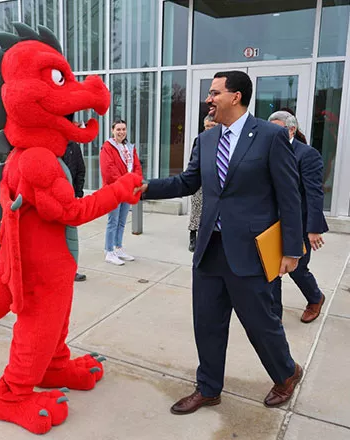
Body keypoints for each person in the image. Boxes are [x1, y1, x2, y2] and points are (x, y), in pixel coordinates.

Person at [137, 71, 304, 412]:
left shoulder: (270, 136)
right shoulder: (206, 140)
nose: (208, 99)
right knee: (208, 323)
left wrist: (291, 249)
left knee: (261, 323)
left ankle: (286, 372)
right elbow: (187, 182)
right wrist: (145, 187)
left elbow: (290, 197)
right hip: (210, 250)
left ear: (236, 97)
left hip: (250, 252)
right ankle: (209, 387)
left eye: (214, 93)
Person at [268, 111, 328, 322]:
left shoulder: (307, 154)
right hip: (271, 223)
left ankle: (315, 297)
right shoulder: (268, 152)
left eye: (277, 129)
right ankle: (274, 317)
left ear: (291, 129)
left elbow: (314, 193)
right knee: (271, 270)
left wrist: (314, 228)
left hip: (298, 224)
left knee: (297, 268)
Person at [100, 119, 143, 265]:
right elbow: (109, 169)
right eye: (118, 129)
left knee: (122, 221)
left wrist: (135, 182)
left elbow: (137, 166)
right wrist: (124, 183)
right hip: (115, 189)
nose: (121, 132)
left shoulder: (130, 148)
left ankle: (118, 247)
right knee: (113, 221)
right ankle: (109, 251)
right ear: (112, 130)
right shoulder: (107, 147)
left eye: (123, 129)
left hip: (128, 190)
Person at [62, 115, 87, 282]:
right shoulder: (48, 146)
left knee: (70, 237)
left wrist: (78, 193)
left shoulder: (73, 146)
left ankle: (71, 270)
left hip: (70, 199)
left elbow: (80, 170)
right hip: (53, 201)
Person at [188, 115, 218, 252]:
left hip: (216, 181)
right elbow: (192, 161)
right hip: (200, 179)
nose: (209, 129)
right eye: (207, 126)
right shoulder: (199, 140)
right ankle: (193, 235)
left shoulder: (223, 140)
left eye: (212, 126)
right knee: (196, 206)